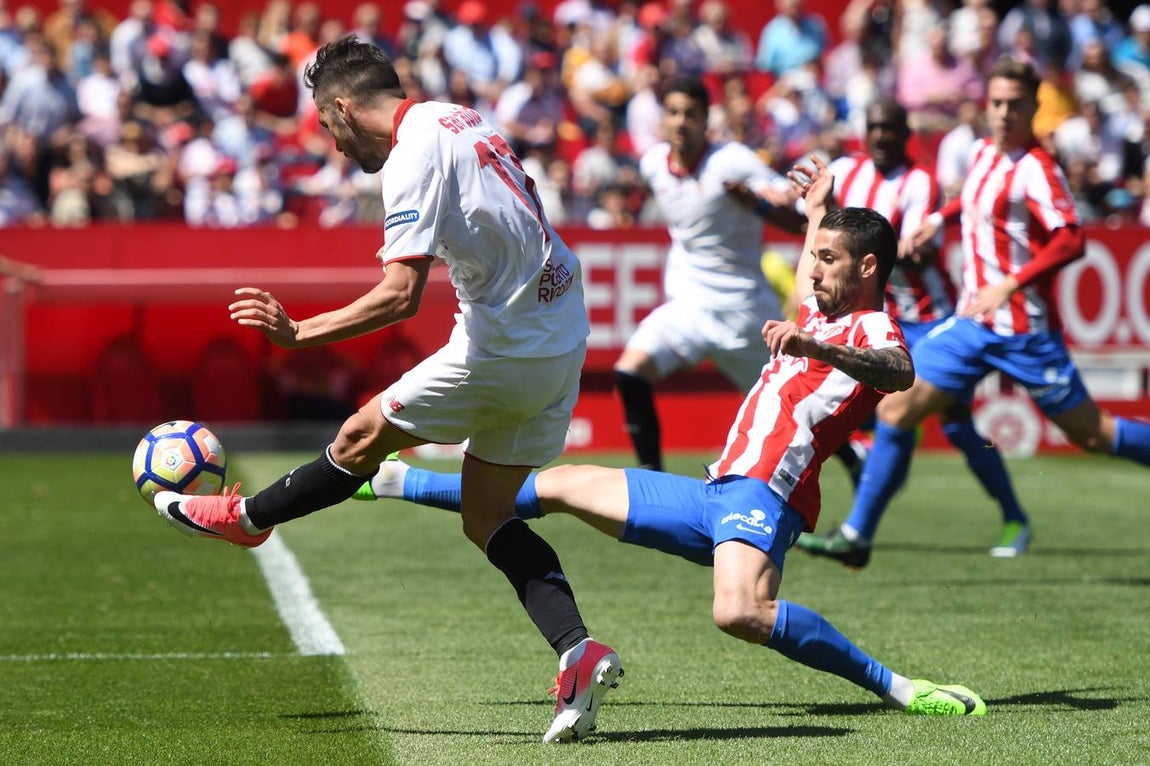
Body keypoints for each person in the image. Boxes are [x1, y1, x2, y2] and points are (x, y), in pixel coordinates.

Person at [355, 158, 988, 720]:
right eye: (816, 258)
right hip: (715, 496)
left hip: (766, 498)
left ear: (868, 267)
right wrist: (817, 210)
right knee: (557, 486)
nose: (813, 272)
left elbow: (900, 373)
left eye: (829, 259)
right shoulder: (821, 309)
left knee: (738, 612)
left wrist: (814, 341)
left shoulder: (873, 328)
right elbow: (809, 284)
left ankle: (899, 688)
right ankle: (390, 479)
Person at [151, 37, 621, 745]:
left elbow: (400, 296)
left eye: (327, 127)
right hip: (562, 338)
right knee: (488, 517)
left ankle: (249, 518)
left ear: (342, 108)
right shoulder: (457, 115)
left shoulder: (409, 157)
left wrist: (298, 333)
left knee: (358, 438)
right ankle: (578, 651)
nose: (334, 148)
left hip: (505, 347)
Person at [802, 57, 1150, 570]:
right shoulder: (985, 152)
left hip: (1024, 332)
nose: (1004, 113)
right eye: (996, 102)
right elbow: (973, 197)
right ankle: (856, 536)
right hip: (972, 325)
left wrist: (1009, 283)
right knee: (898, 409)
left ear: (1034, 106)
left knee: (1092, 434)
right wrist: (937, 219)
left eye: (1015, 104)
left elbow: (1072, 238)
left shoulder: (1038, 168)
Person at [797, 98, 1030, 566]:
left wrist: (898, 250)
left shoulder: (919, 182)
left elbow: (916, 248)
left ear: (906, 134)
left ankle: (867, 525)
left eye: (890, 128)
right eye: (874, 125)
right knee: (894, 411)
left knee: (944, 422)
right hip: (881, 316)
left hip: (930, 320)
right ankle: (873, 507)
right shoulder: (847, 172)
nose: (881, 135)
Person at [616, 75, 806, 473]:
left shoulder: (732, 160)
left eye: (690, 114)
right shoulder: (653, 164)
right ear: (662, 120)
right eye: (673, 113)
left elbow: (796, 221)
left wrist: (761, 204)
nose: (680, 122)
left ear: (706, 120)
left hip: (744, 313)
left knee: (794, 411)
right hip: (687, 308)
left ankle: (854, 460)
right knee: (630, 374)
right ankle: (652, 485)